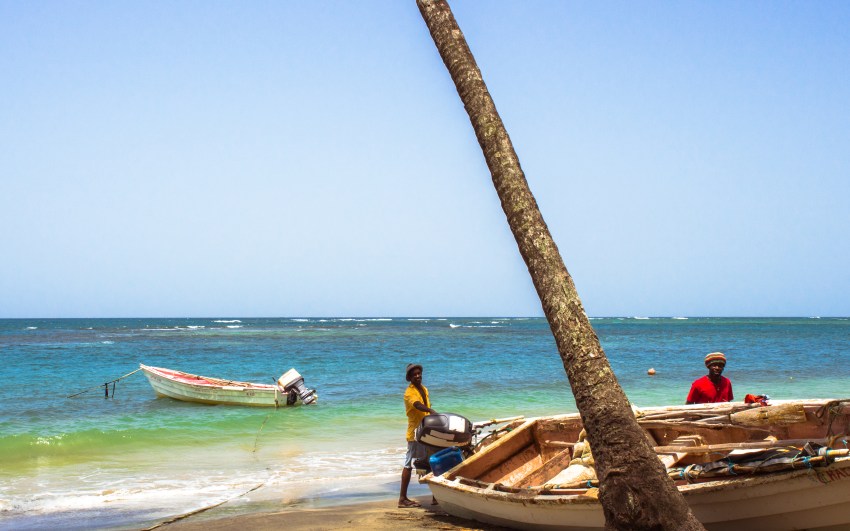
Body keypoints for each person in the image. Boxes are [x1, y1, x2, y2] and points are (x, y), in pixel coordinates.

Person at [398, 363, 437, 508]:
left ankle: (436, 496)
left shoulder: (424, 389)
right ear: (409, 378)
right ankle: (402, 499)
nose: (418, 376)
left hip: (426, 431)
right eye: (414, 374)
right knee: (408, 465)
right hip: (415, 434)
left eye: (419, 373)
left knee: (432, 461)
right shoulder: (409, 392)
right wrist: (431, 410)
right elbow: (417, 405)